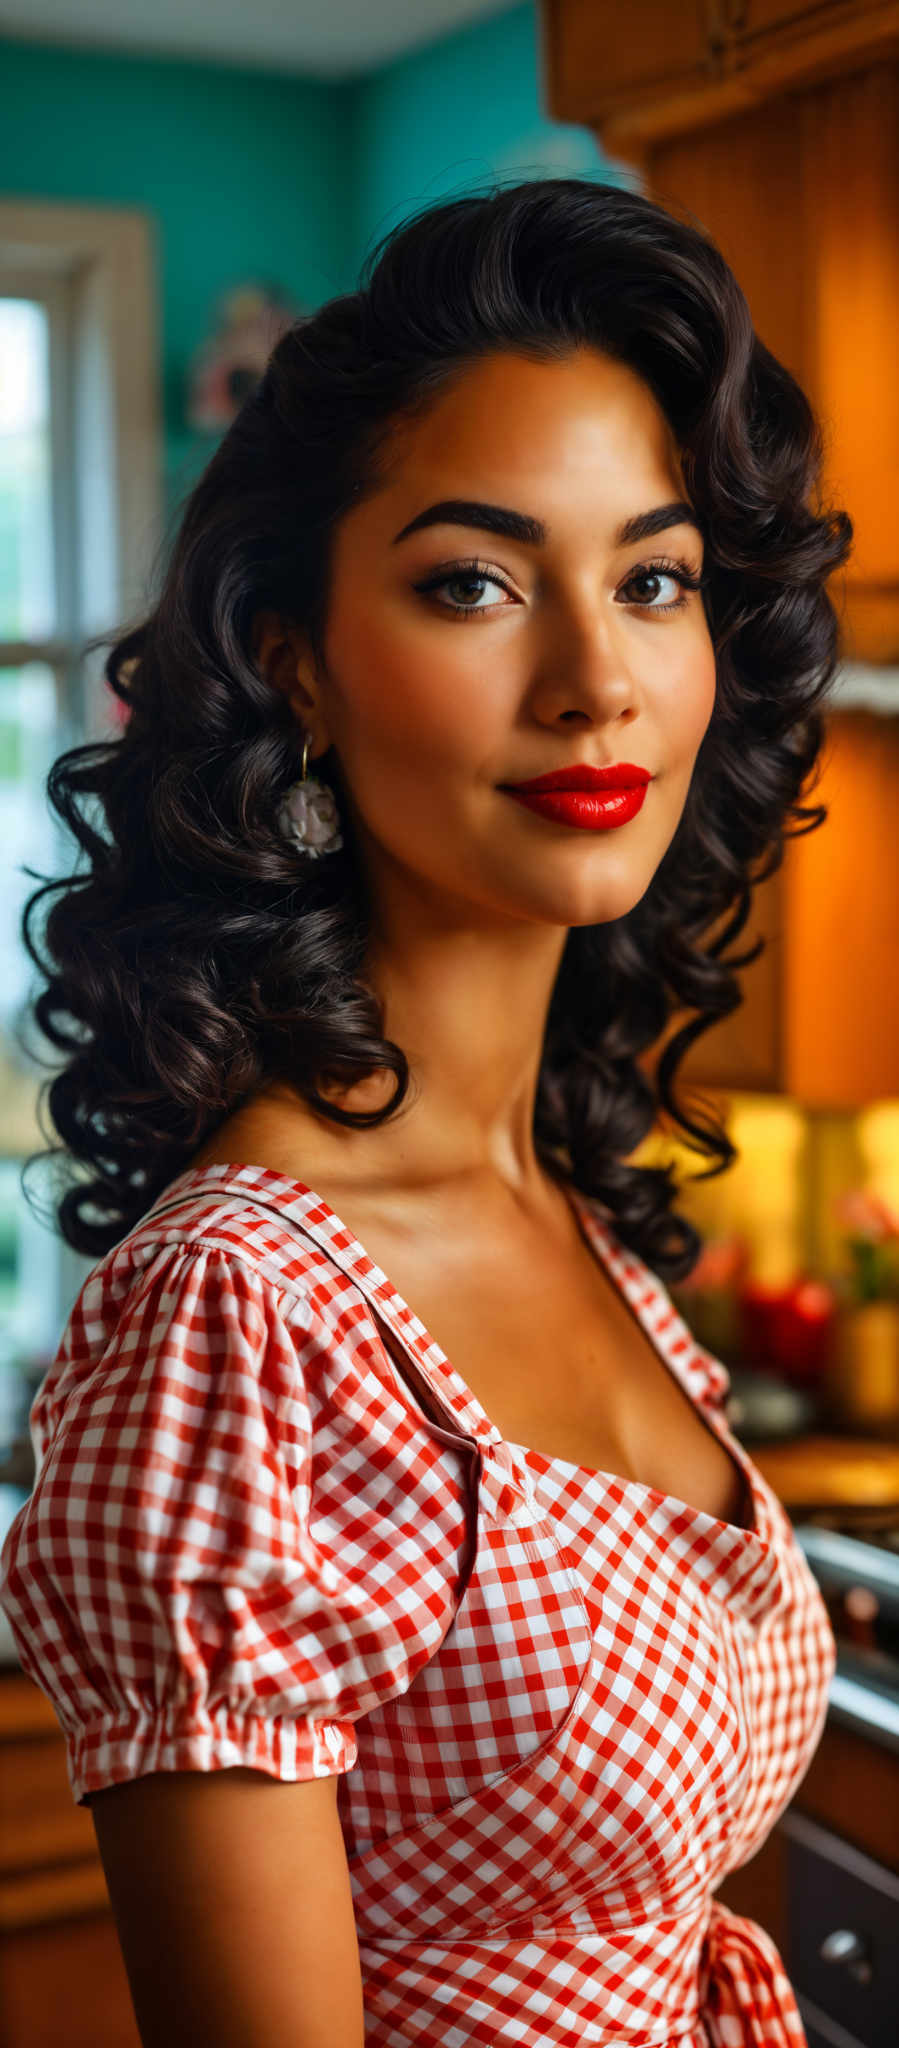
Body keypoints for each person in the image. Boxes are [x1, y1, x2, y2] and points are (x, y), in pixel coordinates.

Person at [0, 178, 849, 2048]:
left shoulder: (565, 1199)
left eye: (654, 579)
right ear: (293, 659)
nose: (594, 681)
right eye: (472, 580)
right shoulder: (243, 1316)